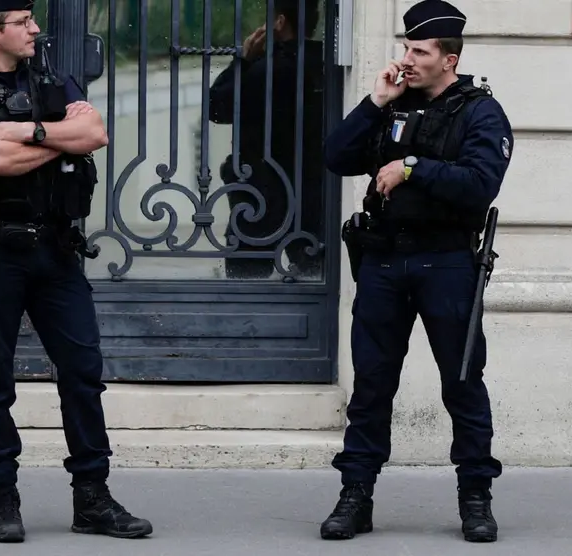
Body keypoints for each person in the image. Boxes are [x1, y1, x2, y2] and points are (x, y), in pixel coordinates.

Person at [0, 0, 152, 543]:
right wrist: (52, 137)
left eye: (33, 18)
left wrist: (19, 133)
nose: (35, 28)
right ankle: (1, 499)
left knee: (82, 372)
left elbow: (95, 134)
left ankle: (93, 498)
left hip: (56, 251)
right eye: (22, 22)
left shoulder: (55, 80)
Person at [318, 0, 512, 544]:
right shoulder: (392, 102)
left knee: (462, 383)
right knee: (372, 386)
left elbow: (479, 184)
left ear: (448, 59)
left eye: (420, 51)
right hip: (382, 261)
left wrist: (412, 167)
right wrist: (376, 99)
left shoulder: (480, 113)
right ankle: (355, 495)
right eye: (406, 47)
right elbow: (335, 157)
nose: (407, 58)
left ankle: (476, 497)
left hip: (446, 262)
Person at [207, 0, 325, 280]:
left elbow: (216, 107)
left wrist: (244, 60)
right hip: (312, 187)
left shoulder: (266, 69)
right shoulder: (325, 65)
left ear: (279, 22)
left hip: (260, 189)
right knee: (312, 274)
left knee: (248, 280)